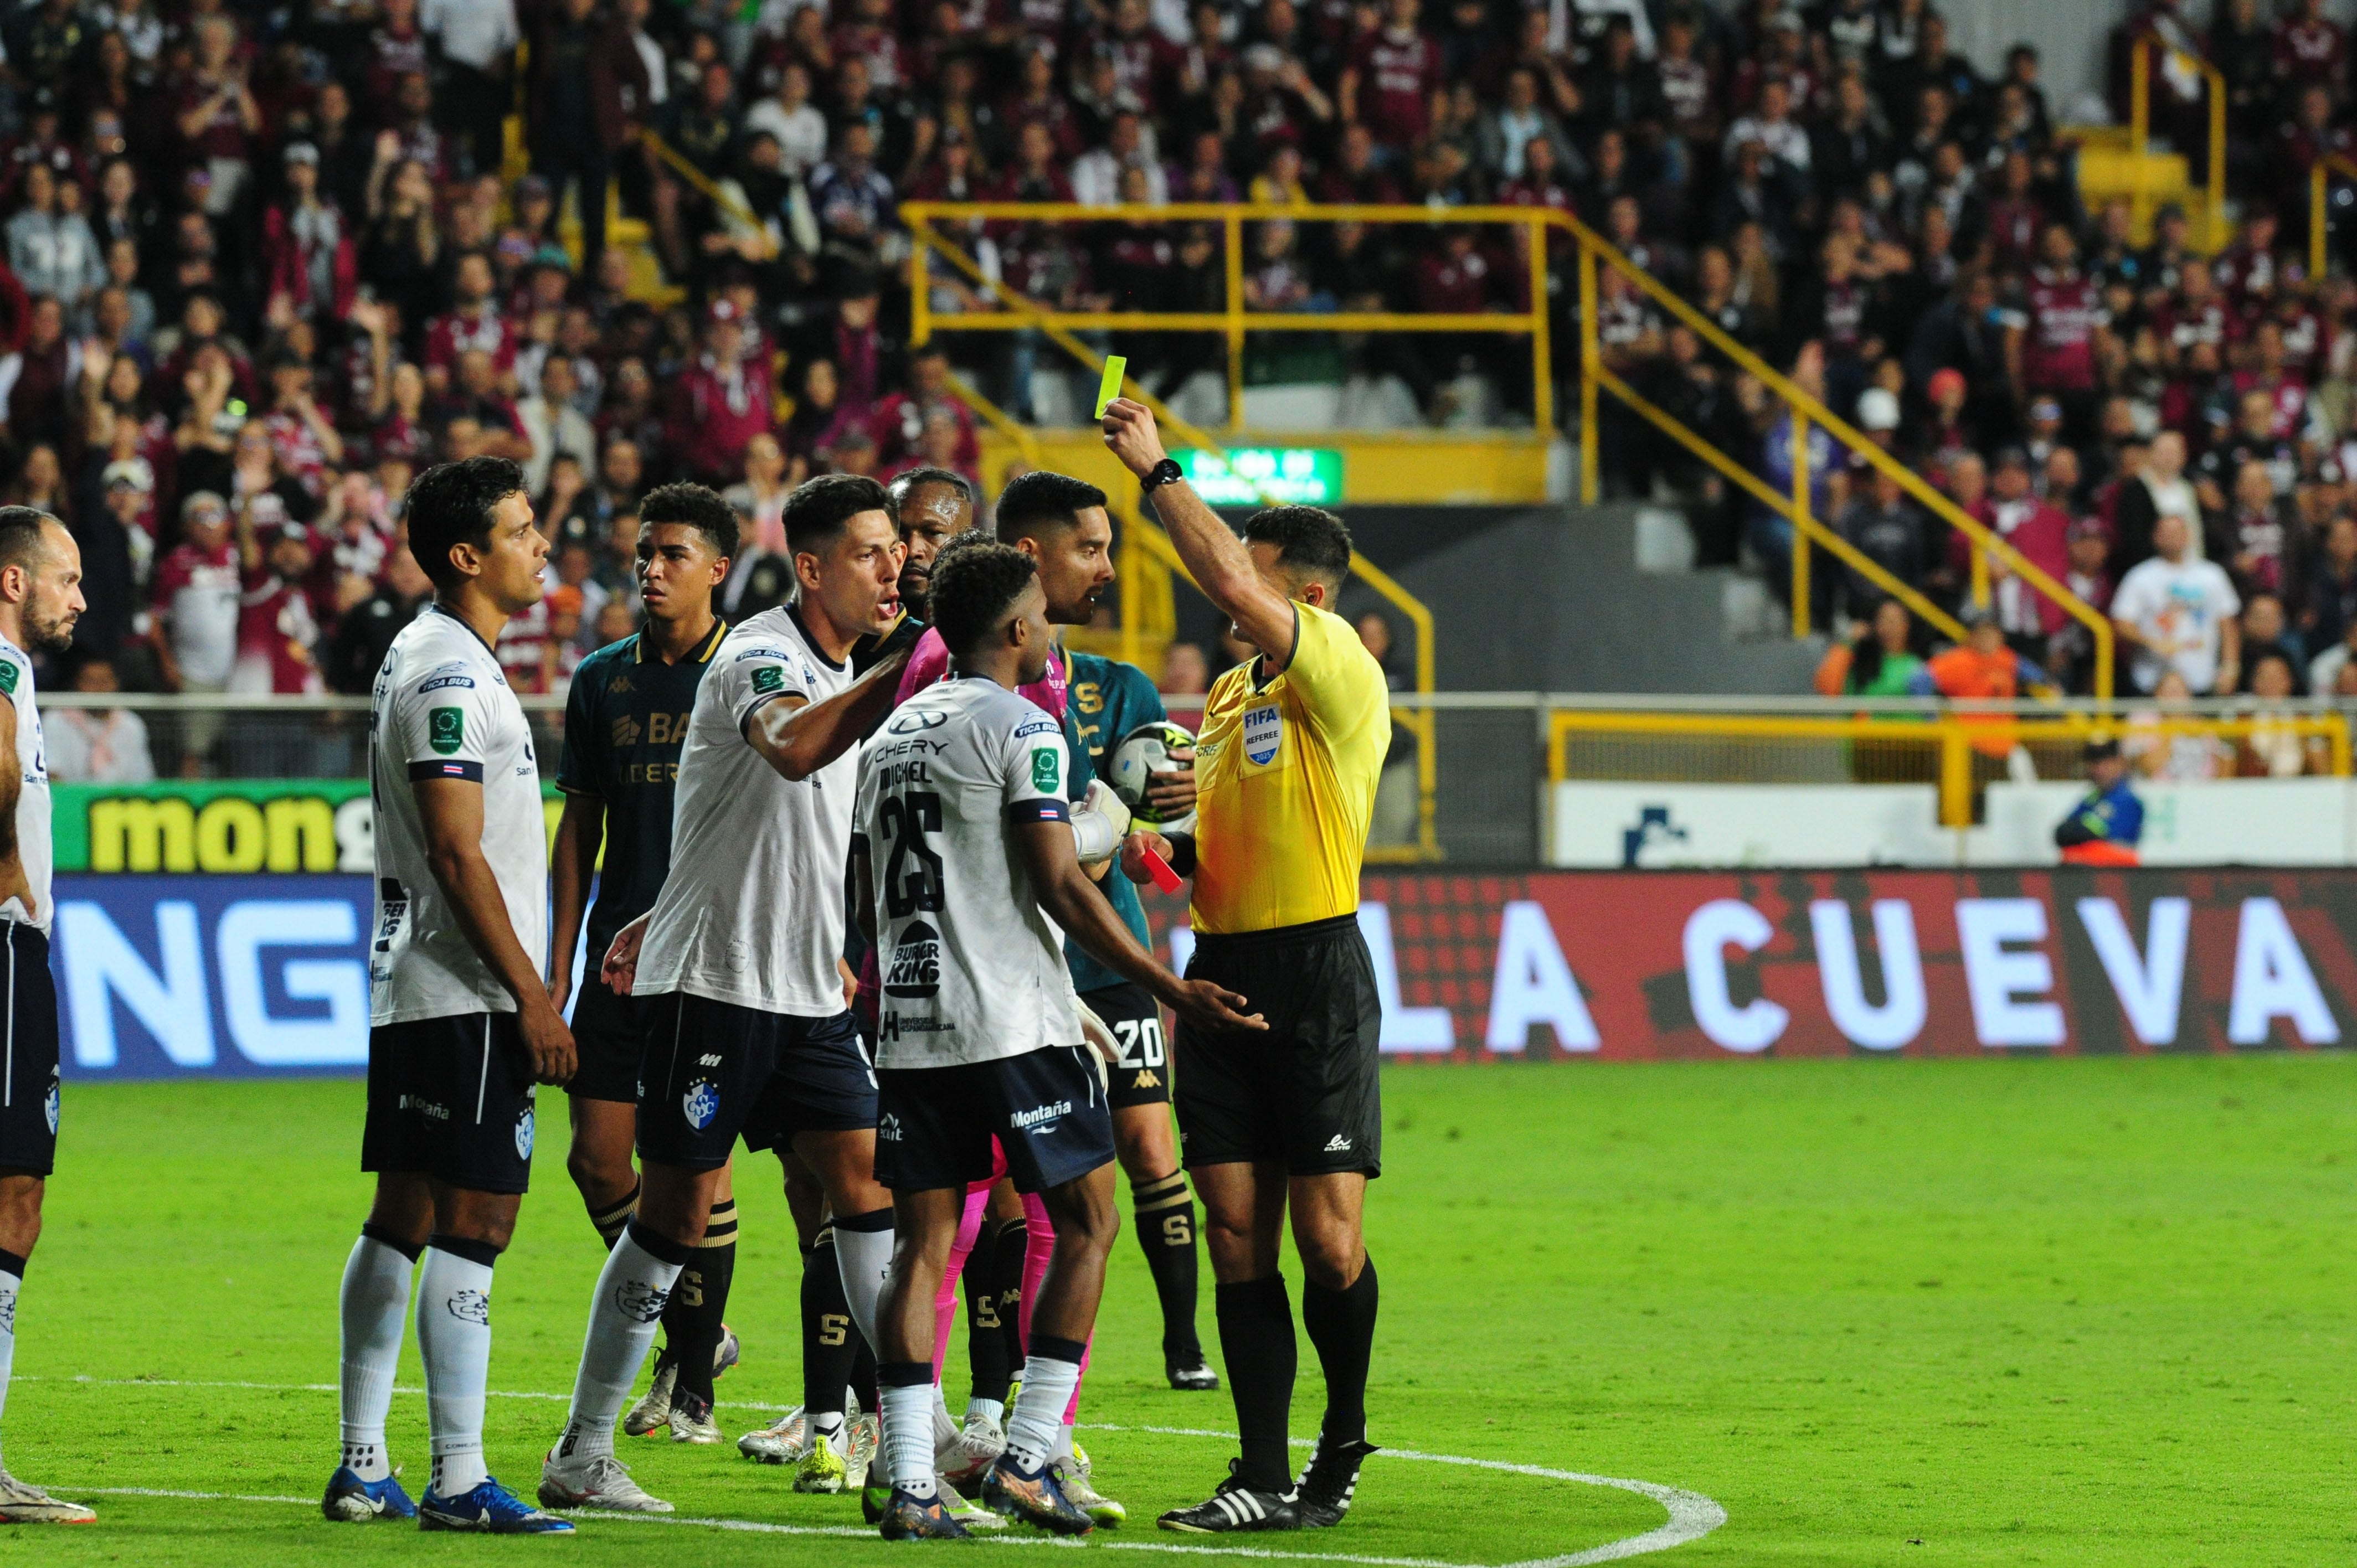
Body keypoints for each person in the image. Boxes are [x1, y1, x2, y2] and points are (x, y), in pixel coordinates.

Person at [848, 541, 1262, 1540]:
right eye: (1039, 611)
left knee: (924, 1239)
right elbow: (1060, 883)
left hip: (912, 1021)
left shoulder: (893, 734)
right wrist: (1172, 988)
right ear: (1014, 628)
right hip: (1008, 1021)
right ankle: (1030, 1455)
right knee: (1086, 1218)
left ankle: (907, 1478)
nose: (1048, 629)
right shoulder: (1022, 727)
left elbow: (861, 891)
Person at [539, 474, 909, 1514]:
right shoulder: (760, 655)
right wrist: (900, 670)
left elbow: (765, 829)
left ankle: (913, 1456)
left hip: (805, 990)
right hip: (717, 987)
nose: (892, 568)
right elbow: (792, 751)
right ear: (812, 567)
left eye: (896, 552)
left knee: (867, 1204)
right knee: (668, 1219)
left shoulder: (847, 666)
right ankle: (583, 1448)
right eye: (871, 552)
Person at [1101, 399, 1391, 1534]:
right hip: (1216, 971)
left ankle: (1344, 1434)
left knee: (1327, 1241)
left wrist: (1159, 473)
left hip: (1315, 968)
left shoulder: (1342, 674)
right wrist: (1165, 828)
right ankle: (1260, 1475)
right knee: (1233, 1227)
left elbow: (1225, 578)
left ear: (1304, 599)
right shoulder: (1227, 701)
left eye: (1259, 578)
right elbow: (1211, 842)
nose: (1233, 594)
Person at [330, 457, 575, 1534]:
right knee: (479, 1216)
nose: (543, 549)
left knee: (408, 1213)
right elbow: (457, 850)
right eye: (523, 532)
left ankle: (361, 1464)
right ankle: (461, 1479)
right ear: (467, 556)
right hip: (464, 990)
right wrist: (530, 993)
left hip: (426, 982)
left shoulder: (437, 657)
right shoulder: (448, 674)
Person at [545, 485, 741, 1447]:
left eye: (671, 554)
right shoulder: (600, 680)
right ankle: (694, 1323)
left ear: (718, 568)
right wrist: (555, 964)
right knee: (595, 1160)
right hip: (615, 960)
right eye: (642, 555)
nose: (650, 570)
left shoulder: (749, 669)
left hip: (713, 956)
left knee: (696, 1174)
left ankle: (691, 1380)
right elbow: (579, 825)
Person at [0, 507, 93, 1525]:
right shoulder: (4, 666)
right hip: (5, 946)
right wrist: (11, 866)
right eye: (65, 577)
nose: (80, 597)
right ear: (14, 581)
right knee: (14, 1189)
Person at [2112, 513, 2243, 695]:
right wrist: (2152, 642)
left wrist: (2230, 668)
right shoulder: (2139, 576)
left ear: (2188, 535)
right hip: (2152, 680)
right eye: (2165, 532)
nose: (2171, 537)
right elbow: (2121, 623)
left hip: (2202, 680)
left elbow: (2228, 625)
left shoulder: (2212, 575)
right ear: (2155, 537)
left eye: (2177, 532)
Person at [42, 656, 153, 783]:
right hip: (69, 798)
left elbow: (142, 778)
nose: (98, 689)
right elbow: (51, 772)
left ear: (116, 683)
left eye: (104, 681)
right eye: (91, 682)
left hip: (120, 799)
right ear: (78, 683)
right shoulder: (56, 719)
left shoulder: (131, 724)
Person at [2055, 737, 2142, 866]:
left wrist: (2083, 830)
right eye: (2095, 763)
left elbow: (2112, 839)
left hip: (2116, 874)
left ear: (2119, 763)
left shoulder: (2127, 800)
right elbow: (2064, 831)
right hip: (2085, 874)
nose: (2099, 770)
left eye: (2106, 763)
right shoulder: (2091, 799)